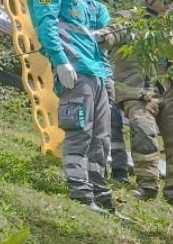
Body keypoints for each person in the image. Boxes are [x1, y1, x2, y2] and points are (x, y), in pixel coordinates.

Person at [98, 0, 173, 210]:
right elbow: (113, 32)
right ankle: (147, 185)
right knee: (143, 129)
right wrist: (100, 37)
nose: (170, 3)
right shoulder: (129, 19)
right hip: (137, 89)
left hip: (171, 90)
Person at [30, 0, 116, 212]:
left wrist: (107, 77)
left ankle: (100, 193)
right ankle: (80, 192)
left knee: (101, 138)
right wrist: (59, 59)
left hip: (97, 73)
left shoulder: (94, 6)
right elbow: (45, 21)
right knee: (80, 131)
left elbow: (102, 41)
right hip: (74, 70)